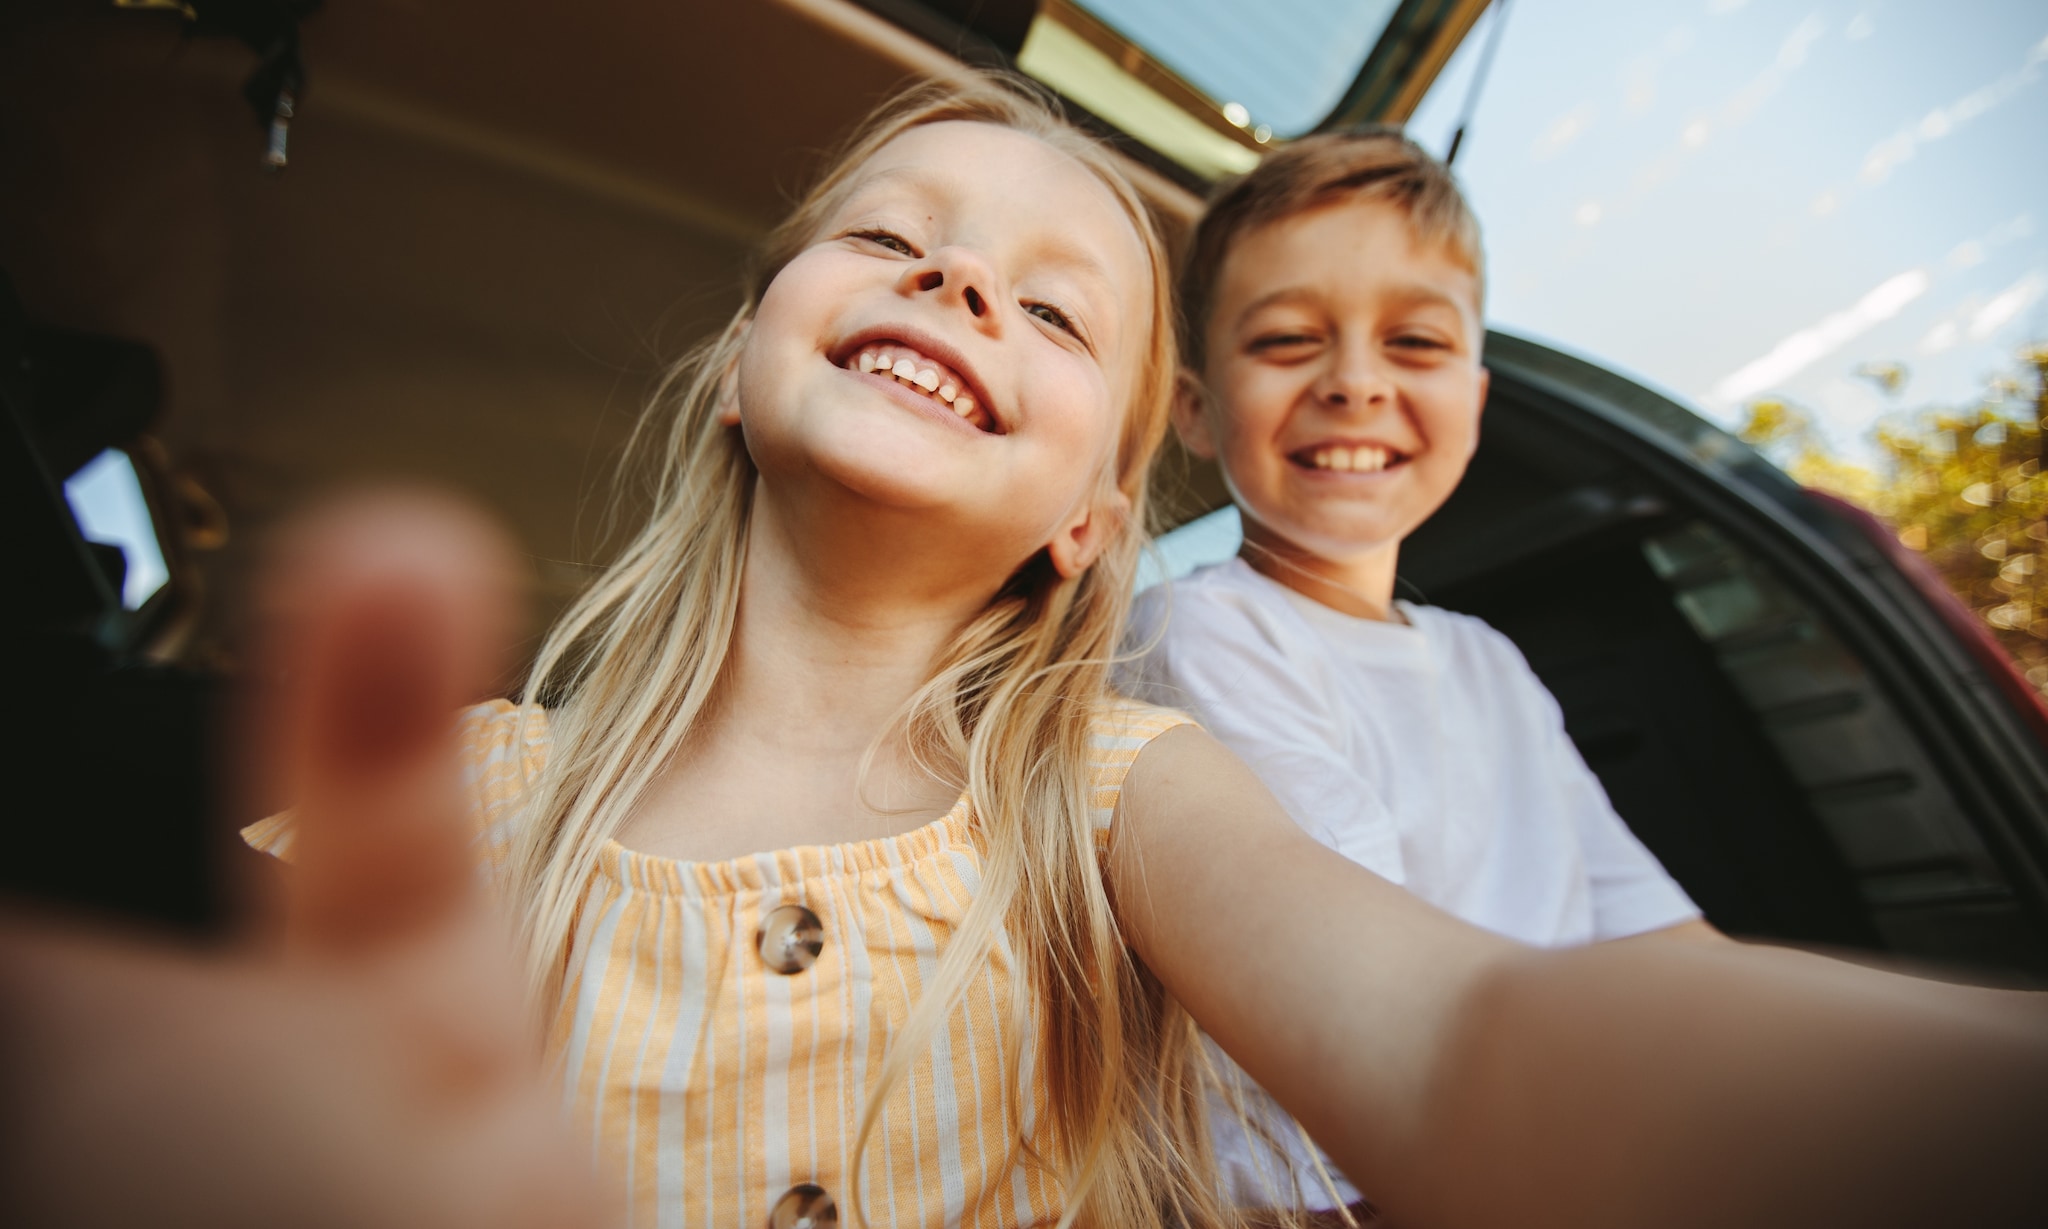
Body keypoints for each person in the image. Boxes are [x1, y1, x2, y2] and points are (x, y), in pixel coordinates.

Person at [29, 74, 2039, 1229]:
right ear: (744, 363)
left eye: (1055, 305)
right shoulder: (464, 790)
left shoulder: (1116, 796)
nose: (956, 271)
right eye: (886, 230)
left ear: (1091, 508)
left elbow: (1462, 1032)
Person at [1116, 130, 1721, 1212]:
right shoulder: (1198, 634)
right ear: (1197, 409)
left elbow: (1669, 949)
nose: (1354, 381)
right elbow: (1380, 1008)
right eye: (1290, 338)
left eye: (1414, 340)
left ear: (1474, 401)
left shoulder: (1489, 664)